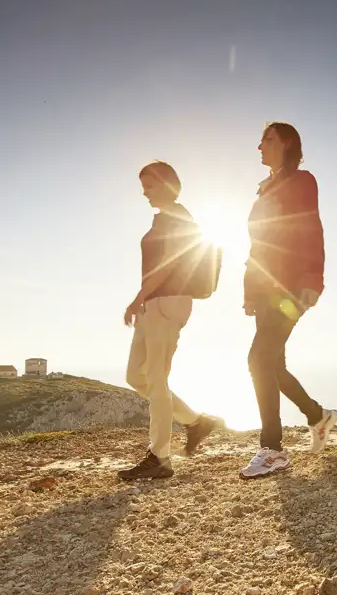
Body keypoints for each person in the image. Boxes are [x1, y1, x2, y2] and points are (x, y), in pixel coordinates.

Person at [240, 122, 337, 479]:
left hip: (291, 288)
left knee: (258, 358)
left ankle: (273, 450)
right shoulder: (264, 190)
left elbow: (311, 228)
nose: (260, 146)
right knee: (273, 365)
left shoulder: (302, 181)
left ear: (287, 144)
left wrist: (313, 279)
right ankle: (318, 416)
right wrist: (250, 290)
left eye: (267, 139)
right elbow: (257, 247)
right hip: (266, 289)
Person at [118, 161, 222, 480]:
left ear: (166, 184)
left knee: (156, 377)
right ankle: (195, 421)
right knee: (136, 375)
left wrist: (138, 297)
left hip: (167, 302)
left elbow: (167, 266)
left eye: (149, 186)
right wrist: (143, 300)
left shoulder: (177, 217)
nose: (144, 193)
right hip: (154, 303)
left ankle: (159, 458)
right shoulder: (164, 218)